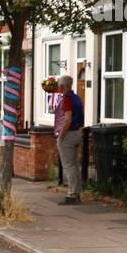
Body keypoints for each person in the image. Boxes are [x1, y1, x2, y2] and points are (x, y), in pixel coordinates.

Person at [54, 75, 85, 205]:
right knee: (74, 164)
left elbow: (67, 119)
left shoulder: (66, 99)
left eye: (58, 86)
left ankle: (72, 194)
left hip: (68, 134)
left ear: (61, 87)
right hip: (78, 132)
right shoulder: (76, 97)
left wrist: (61, 135)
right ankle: (76, 192)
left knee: (68, 165)